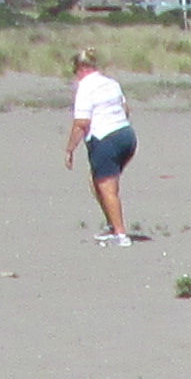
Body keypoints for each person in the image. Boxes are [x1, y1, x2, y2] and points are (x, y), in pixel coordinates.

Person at [67, 52, 137, 242]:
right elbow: (125, 109)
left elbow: (82, 123)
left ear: (81, 69)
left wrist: (70, 149)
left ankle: (121, 235)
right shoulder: (111, 83)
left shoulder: (85, 87)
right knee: (95, 180)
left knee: (108, 188)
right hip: (127, 136)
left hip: (106, 139)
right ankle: (112, 224)